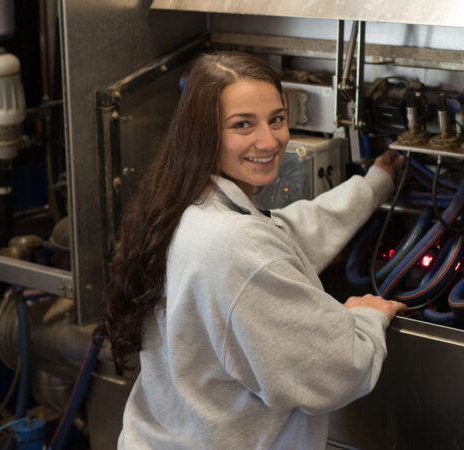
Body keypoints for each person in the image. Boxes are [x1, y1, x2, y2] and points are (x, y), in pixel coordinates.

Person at [100, 51, 407, 449]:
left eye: (276, 119)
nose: (269, 141)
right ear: (203, 132)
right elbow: (334, 372)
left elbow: (286, 233)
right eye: (242, 124)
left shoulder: (183, 206)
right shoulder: (236, 247)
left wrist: (373, 185)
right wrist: (364, 318)